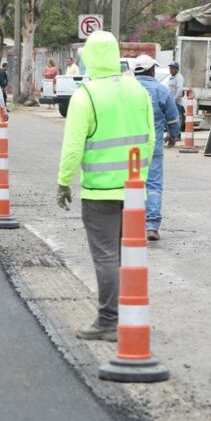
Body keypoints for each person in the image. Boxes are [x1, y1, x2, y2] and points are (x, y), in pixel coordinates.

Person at [56, 30, 155, 341]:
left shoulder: (86, 95)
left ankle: (109, 320)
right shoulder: (138, 90)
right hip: (135, 190)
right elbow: (150, 139)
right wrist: (139, 175)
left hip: (100, 192)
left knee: (106, 255)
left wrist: (63, 182)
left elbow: (73, 147)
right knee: (130, 258)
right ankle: (130, 316)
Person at [133, 55, 181, 241]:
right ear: (152, 70)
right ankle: (151, 226)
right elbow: (173, 118)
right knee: (152, 184)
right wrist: (173, 137)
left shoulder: (126, 90)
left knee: (130, 183)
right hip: (152, 146)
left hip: (127, 147)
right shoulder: (161, 91)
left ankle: (129, 223)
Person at [167, 61, 185, 147]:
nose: (171, 69)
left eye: (172, 68)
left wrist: (174, 100)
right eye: (170, 68)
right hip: (171, 102)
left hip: (176, 103)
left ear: (177, 69)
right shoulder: (171, 77)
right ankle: (171, 135)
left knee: (177, 119)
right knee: (171, 119)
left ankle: (177, 136)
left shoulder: (179, 77)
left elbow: (179, 89)